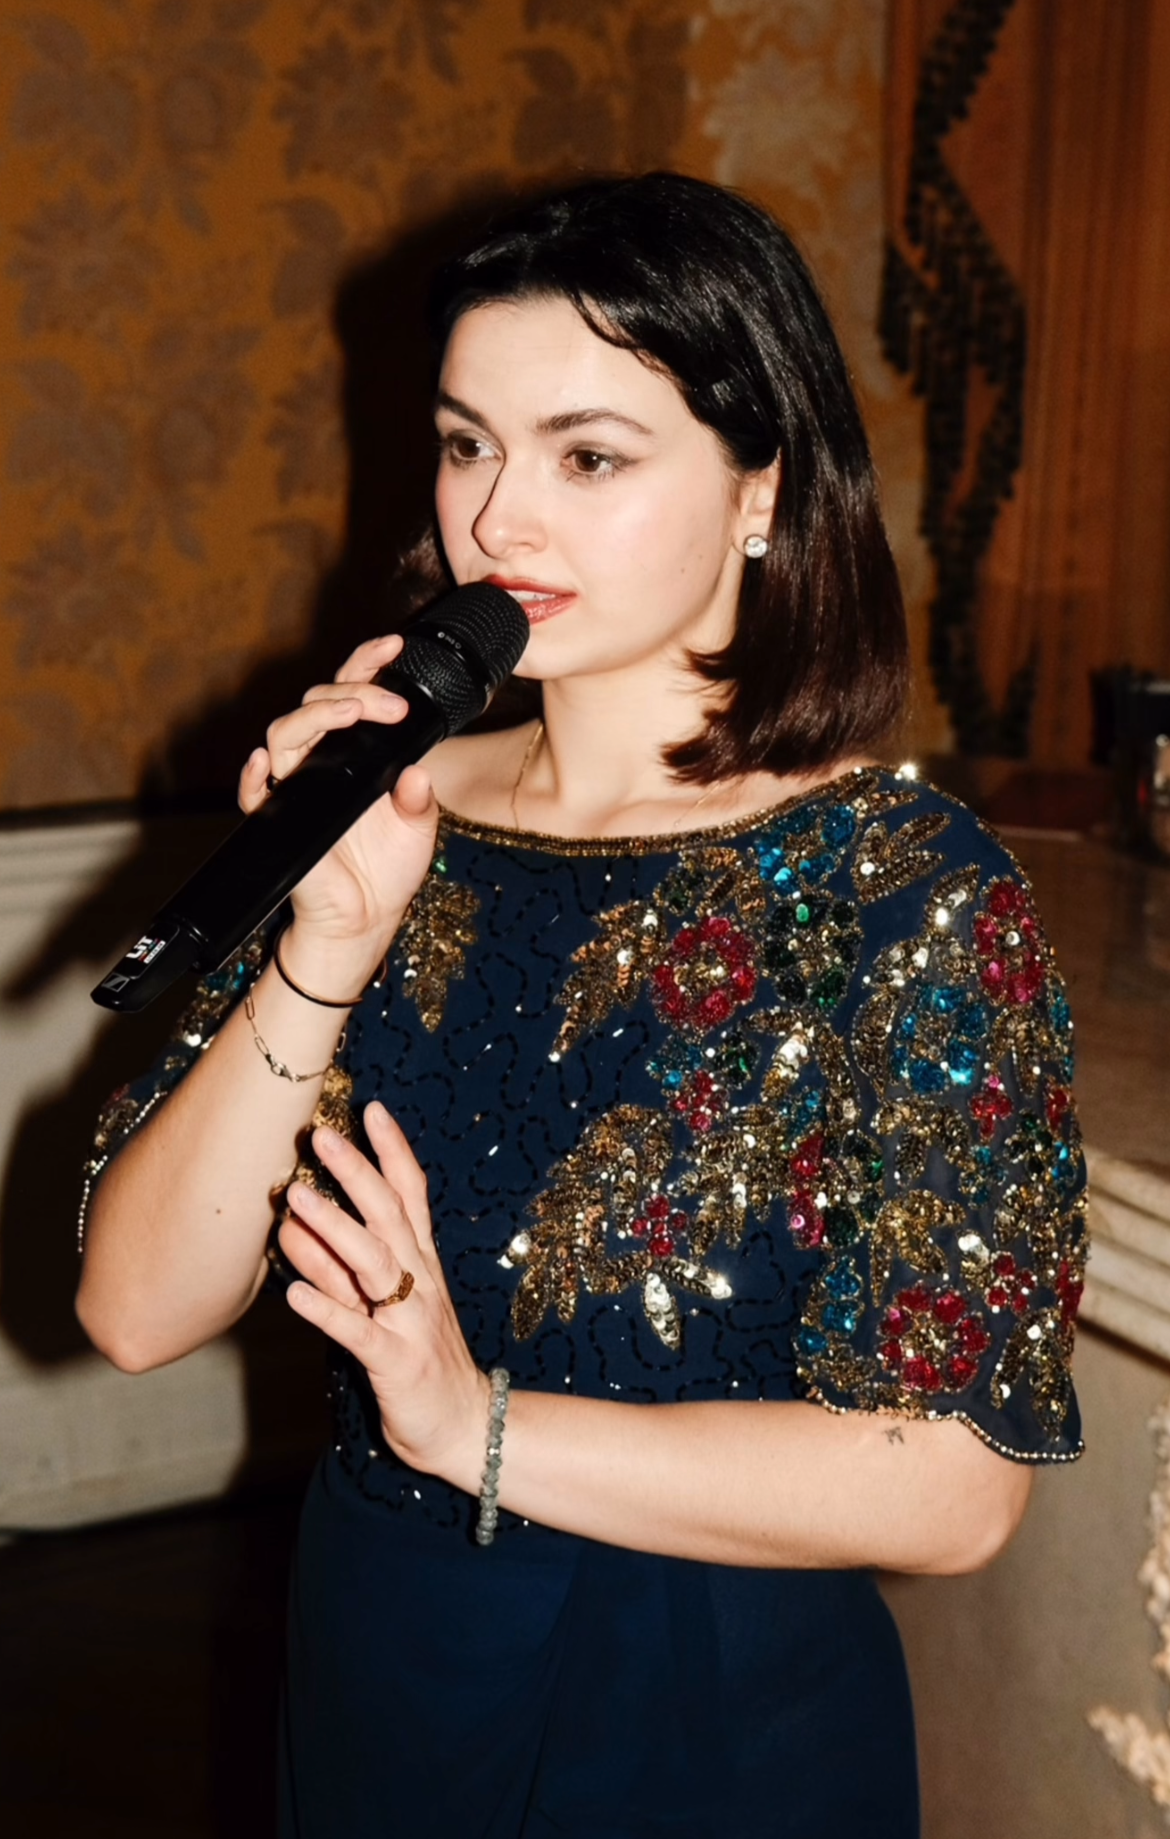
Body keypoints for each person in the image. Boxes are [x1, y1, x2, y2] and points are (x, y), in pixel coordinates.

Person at [77, 173, 1086, 1839]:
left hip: (708, 1694)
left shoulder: (901, 883)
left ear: (761, 488)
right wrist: (328, 941)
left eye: (587, 456)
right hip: (386, 1643)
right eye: (465, 443)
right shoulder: (394, 816)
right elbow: (133, 1308)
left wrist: (470, 1424)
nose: (497, 522)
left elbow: (955, 1486)